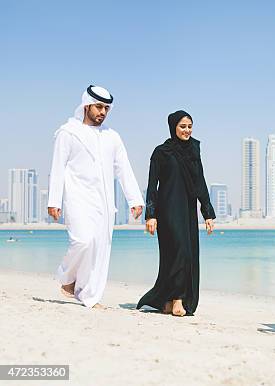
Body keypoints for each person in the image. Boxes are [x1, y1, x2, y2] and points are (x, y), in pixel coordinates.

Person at [48, 85, 144, 309]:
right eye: (99, 107)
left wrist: (135, 199)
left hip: (104, 202)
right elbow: (58, 167)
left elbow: (124, 168)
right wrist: (54, 201)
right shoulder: (68, 133)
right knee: (83, 241)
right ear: (86, 105)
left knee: (100, 249)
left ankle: (89, 296)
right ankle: (66, 278)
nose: (103, 112)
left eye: (107, 108)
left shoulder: (112, 136)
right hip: (77, 198)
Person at [137, 110, 215, 317]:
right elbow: (152, 185)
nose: (187, 130)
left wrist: (207, 213)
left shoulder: (194, 149)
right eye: (183, 126)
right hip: (167, 209)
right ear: (173, 127)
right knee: (177, 251)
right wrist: (150, 215)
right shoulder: (162, 152)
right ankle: (178, 299)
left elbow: (200, 181)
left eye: (190, 126)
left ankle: (167, 300)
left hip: (188, 210)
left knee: (187, 255)